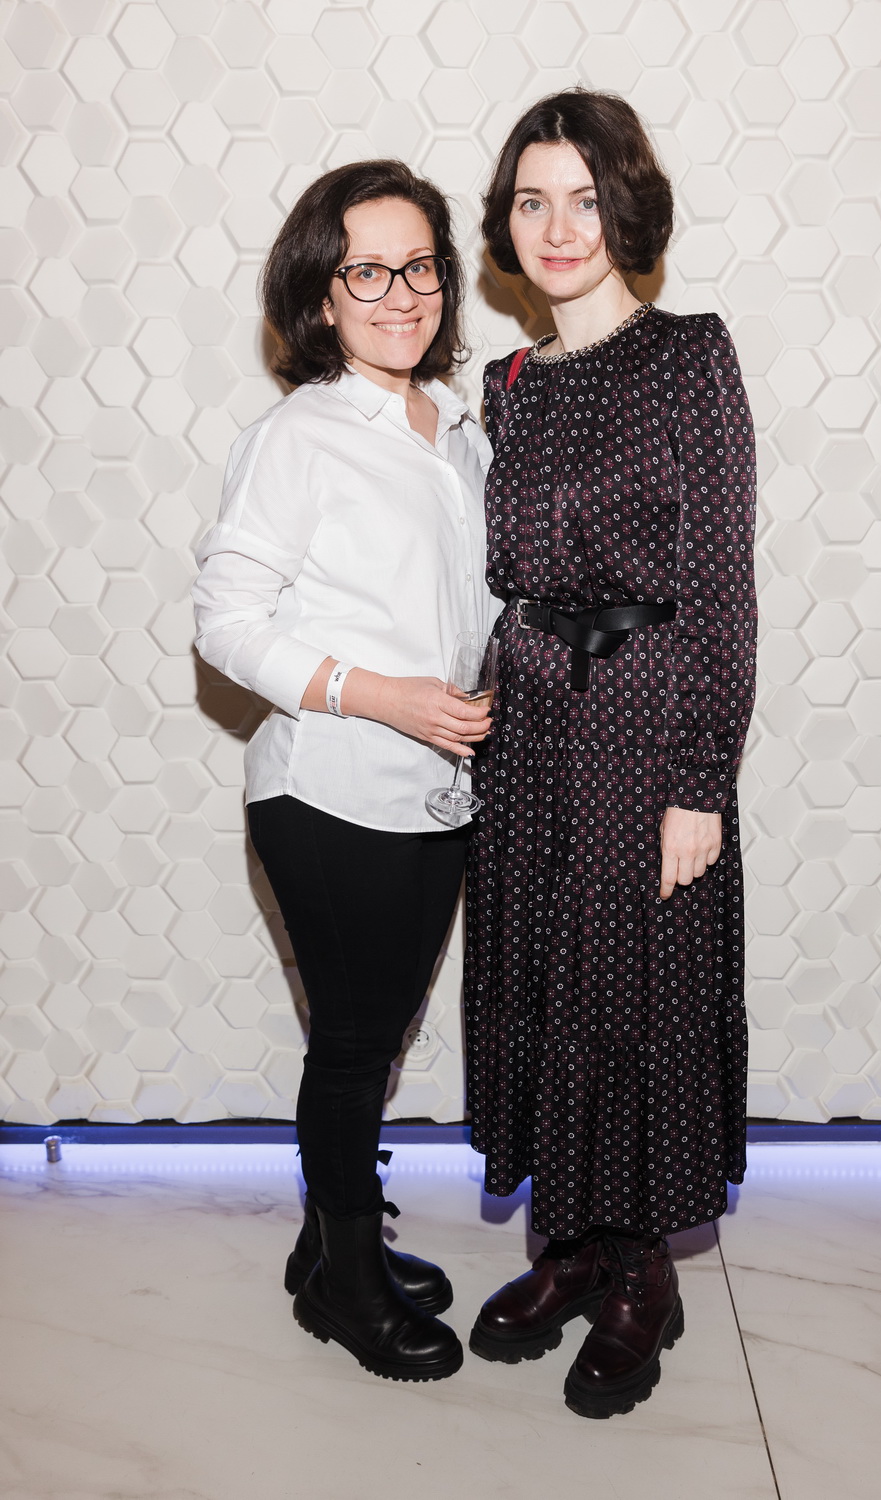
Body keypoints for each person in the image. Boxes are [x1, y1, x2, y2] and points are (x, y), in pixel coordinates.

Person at [464, 90, 758, 1420]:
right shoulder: (508, 384)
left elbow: (722, 588)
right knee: (546, 977)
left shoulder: (689, 357)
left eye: (584, 197)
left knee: (638, 988)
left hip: (646, 728)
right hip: (528, 730)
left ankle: (642, 1270)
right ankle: (572, 1245)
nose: (558, 225)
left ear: (627, 209)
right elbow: (495, 574)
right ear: (507, 223)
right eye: (533, 200)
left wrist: (701, 778)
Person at [192, 160, 496, 1384]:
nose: (400, 292)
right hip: (327, 794)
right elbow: (225, 624)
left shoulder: (457, 431)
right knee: (357, 1044)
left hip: (435, 793)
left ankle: (329, 1244)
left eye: (419, 266)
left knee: (373, 1035)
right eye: (367, 271)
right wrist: (385, 696)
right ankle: (348, 1291)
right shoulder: (298, 438)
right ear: (321, 294)